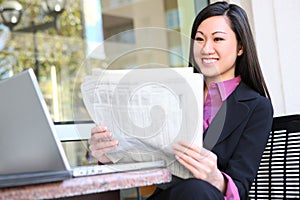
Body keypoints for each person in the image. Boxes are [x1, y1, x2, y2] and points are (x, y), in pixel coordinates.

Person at [88, 1, 273, 200]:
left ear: (240, 47)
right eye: (199, 39)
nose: (206, 48)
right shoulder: (170, 94)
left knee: (196, 190)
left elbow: (240, 186)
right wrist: (109, 156)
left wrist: (215, 178)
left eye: (217, 39)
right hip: (167, 195)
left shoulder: (256, 107)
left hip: (203, 196)